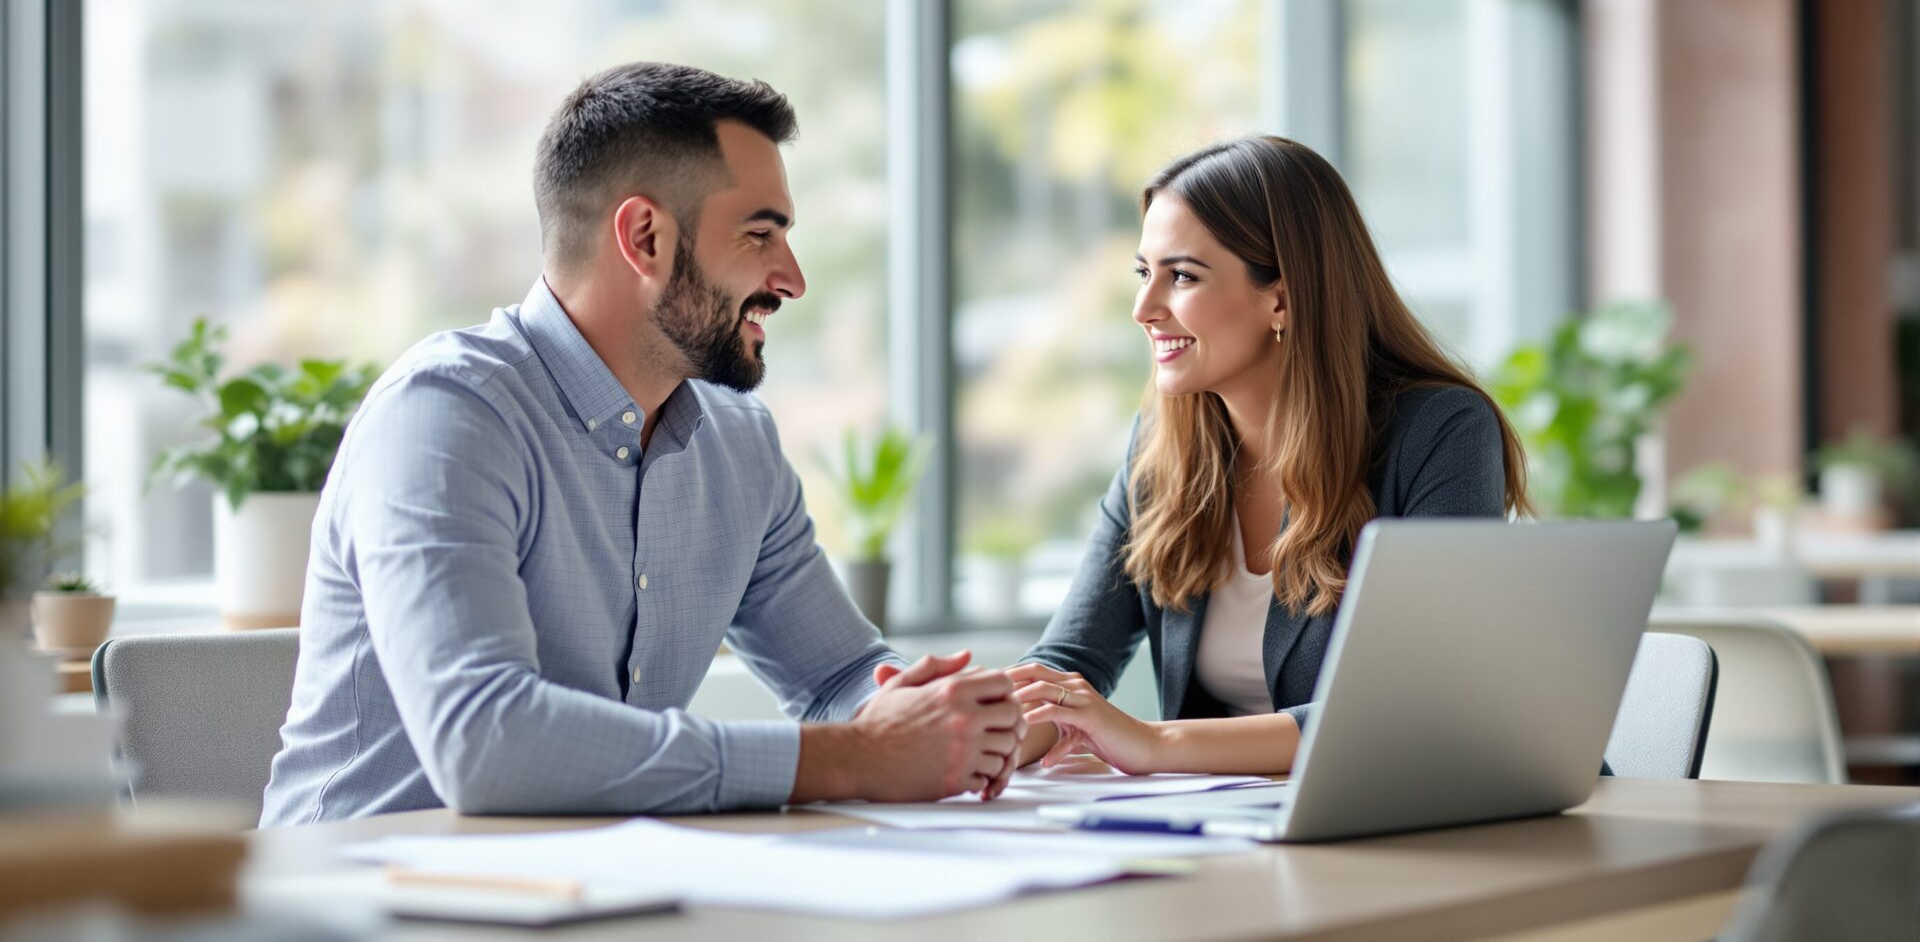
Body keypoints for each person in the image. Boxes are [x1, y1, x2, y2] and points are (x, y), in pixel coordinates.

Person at [261, 62, 1022, 825]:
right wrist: (860, 757)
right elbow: (484, 743)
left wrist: (941, 717)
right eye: (760, 234)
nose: (791, 278)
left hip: (601, 892)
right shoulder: (444, 417)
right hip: (364, 900)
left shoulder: (737, 443)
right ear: (645, 238)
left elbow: (839, 677)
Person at [1005, 136, 1530, 777]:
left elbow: (1409, 706)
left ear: (1281, 298)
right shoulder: (1160, 449)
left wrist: (1155, 743)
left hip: (1445, 819)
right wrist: (979, 734)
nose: (1144, 309)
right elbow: (1071, 660)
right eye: (1144, 273)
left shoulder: (1438, 432)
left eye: (1183, 276)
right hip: (1243, 828)